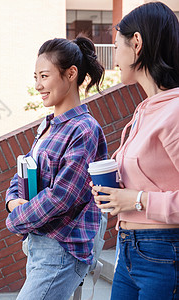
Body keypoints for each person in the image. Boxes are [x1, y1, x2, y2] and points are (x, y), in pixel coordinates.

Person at [5, 36, 107, 299]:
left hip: (63, 250)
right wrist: (11, 201)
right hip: (39, 246)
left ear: (71, 73)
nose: (38, 85)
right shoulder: (48, 125)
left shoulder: (84, 129)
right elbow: (23, 171)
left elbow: (62, 196)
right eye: (35, 76)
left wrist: (17, 217)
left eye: (44, 76)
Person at [91, 2, 179, 299]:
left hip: (164, 252)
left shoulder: (175, 111)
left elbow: (142, 197)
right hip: (129, 248)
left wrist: (137, 199)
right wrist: (115, 196)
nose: (114, 57)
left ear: (137, 43)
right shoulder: (144, 109)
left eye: (116, 46)